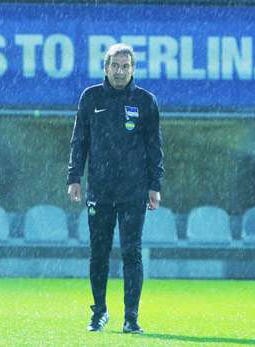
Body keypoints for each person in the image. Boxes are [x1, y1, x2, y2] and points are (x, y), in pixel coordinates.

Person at [66, 43, 164, 334]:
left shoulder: (146, 102)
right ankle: (99, 313)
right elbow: (79, 140)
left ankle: (131, 318)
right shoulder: (91, 97)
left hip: (133, 191)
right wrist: (74, 177)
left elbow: (154, 146)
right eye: (115, 66)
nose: (120, 71)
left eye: (125, 66)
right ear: (105, 68)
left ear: (133, 69)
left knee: (132, 252)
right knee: (99, 252)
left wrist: (154, 185)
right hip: (100, 190)